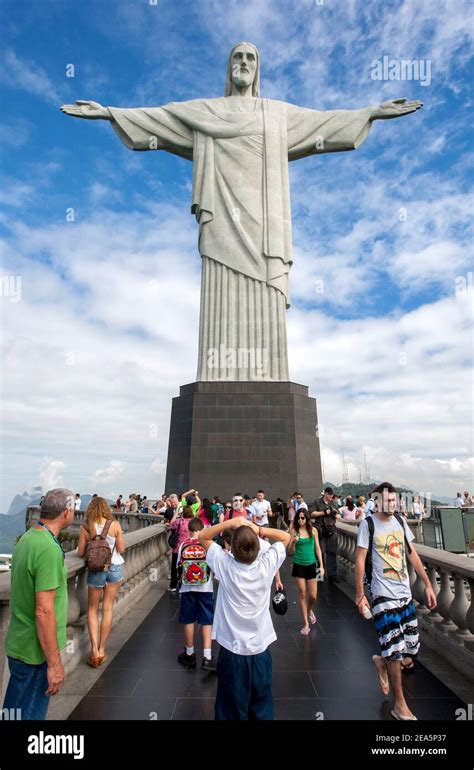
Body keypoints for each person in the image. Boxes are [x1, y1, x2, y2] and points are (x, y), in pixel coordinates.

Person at [198, 507, 291, 720]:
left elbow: (203, 536)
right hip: (260, 651)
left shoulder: (224, 564)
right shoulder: (266, 566)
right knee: (262, 707)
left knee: (230, 710)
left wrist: (231, 523)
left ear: (232, 550)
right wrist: (258, 528)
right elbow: (286, 537)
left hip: (232, 651)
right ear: (258, 548)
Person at [354, 482, 437, 721]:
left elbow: (411, 554)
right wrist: (360, 595)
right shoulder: (368, 525)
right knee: (395, 652)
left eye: (394, 500)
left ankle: (381, 661)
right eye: (387, 501)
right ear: (377, 501)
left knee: (410, 649)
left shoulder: (400, 522)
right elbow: (360, 560)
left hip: (405, 593)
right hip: (382, 595)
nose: (392, 504)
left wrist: (428, 584)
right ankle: (400, 705)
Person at [3, 488, 74, 719]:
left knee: (13, 713)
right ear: (66, 513)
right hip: (35, 653)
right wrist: (54, 664)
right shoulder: (48, 549)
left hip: (20, 642)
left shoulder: (28, 538)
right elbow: (44, 611)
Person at [77, 497, 125, 667]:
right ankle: (102, 649)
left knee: (92, 609)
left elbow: (80, 551)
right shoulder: (115, 524)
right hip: (114, 567)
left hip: (96, 569)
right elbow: (121, 549)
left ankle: (94, 651)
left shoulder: (86, 527)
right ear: (106, 509)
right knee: (108, 608)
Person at [176, 518, 217, 671]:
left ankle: (190, 653)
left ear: (189, 530)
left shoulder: (183, 545)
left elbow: (178, 566)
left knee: (188, 619)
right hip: (205, 587)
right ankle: (207, 656)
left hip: (187, 588)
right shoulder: (208, 545)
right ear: (203, 529)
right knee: (207, 620)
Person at [289, 508, 324, 635]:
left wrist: (322, 566)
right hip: (298, 565)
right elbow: (290, 551)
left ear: (307, 518)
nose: (300, 520)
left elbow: (318, 548)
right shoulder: (294, 531)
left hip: (311, 564)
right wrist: (293, 543)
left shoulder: (313, 531)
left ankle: (309, 609)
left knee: (313, 596)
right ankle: (305, 623)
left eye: (303, 518)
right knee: (303, 594)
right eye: (298, 518)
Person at [311, 487, 341, 584]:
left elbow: (339, 516)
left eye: (332, 495)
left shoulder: (334, 503)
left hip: (331, 530)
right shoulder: (317, 501)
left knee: (332, 553)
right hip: (320, 531)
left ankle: (333, 576)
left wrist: (336, 514)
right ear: (325, 494)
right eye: (330, 495)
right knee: (319, 553)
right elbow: (312, 513)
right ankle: (319, 575)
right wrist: (323, 512)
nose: (331, 497)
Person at [168, 506, 193, 591]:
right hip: (188, 548)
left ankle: (173, 585)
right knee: (185, 566)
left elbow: (171, 524)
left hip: (177, 548)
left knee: (175, 567)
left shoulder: (179, 522)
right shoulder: (192, 522)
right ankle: (183, 584)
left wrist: (176, 514)